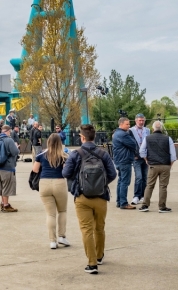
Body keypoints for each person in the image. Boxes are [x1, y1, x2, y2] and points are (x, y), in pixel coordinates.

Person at [62, 124, 117, 274]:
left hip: (82, 197)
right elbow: (113, 174)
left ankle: (92, 263)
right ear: (94, 137)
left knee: (86, 230)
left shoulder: (75, 154)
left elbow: (65, 173)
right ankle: (99, 256)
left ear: (82, 137)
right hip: (101, 197)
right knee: (99, 228)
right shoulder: (103, 153)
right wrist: (101, 184)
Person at [32, 133, 70, 249]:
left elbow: (35, 169)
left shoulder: (41, 154)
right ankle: (62, 236)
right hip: (59, 183)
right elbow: (66, 171)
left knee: (50, 214)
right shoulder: (64, 155)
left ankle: (52, 241)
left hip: (44, 183)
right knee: (62, 211)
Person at [138, 120, 175, 212]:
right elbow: (173, 155)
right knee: (163, 186)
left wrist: (146, 160)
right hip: (165, 165)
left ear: (153, 128)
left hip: (152, 165)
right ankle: (162, 206)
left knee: (149, 185)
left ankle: (145, 205)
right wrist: (170, 164)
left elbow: (141, 151)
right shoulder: (168, 138)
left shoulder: (147, 138)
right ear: (161, 128)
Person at [111, 117, 138, 209]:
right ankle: (123, 203)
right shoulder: (123, 134)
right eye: (127, 124)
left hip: (119, 160)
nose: (129, 126)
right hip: (124, 160)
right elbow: (133, 144)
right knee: (125, 182)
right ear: (121, 124)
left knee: (121, 181)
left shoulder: (116, 134)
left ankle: (119, 201)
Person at [0, 124, 19, 212]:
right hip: (7, 167)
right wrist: (17, 147)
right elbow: (15, 152)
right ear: (8, 131)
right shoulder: (9, 140)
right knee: (7, 187)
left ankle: (2, 202)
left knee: (1, 186)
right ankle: (6, 205)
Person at [129, 114, 150, 205]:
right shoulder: (131, 131)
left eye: (142, 120)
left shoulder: (147, 130)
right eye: (139, 120)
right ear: (135, 121)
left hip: (145, 157)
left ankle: (143, 195)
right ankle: (136, 196)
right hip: (136, 157)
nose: (141, 122)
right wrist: (134, 154)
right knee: (139, 177)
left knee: (145, 177)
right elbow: (130, 144)